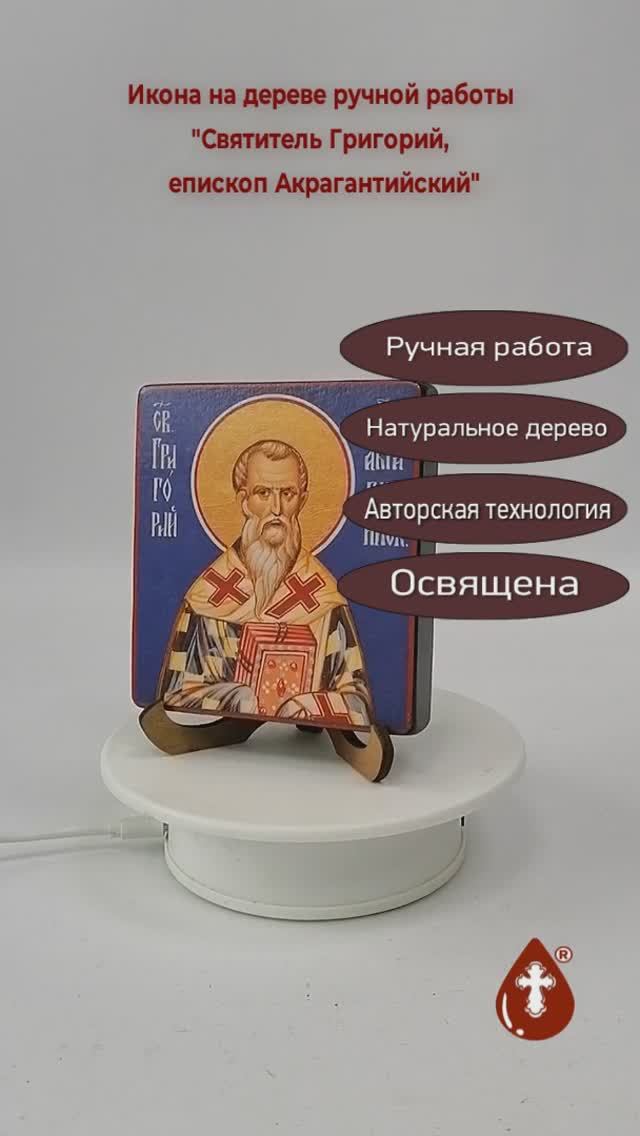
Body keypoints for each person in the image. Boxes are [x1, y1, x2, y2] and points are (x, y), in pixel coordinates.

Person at [159, 439, 372, 728]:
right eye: (263, 493)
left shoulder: (322, 596)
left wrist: (306, 706)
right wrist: (242, 700)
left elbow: (357, 699)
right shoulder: (208, 595)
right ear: (244, 500)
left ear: (302, 500)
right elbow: (177, 694)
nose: (276, 509)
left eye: (288, 494)